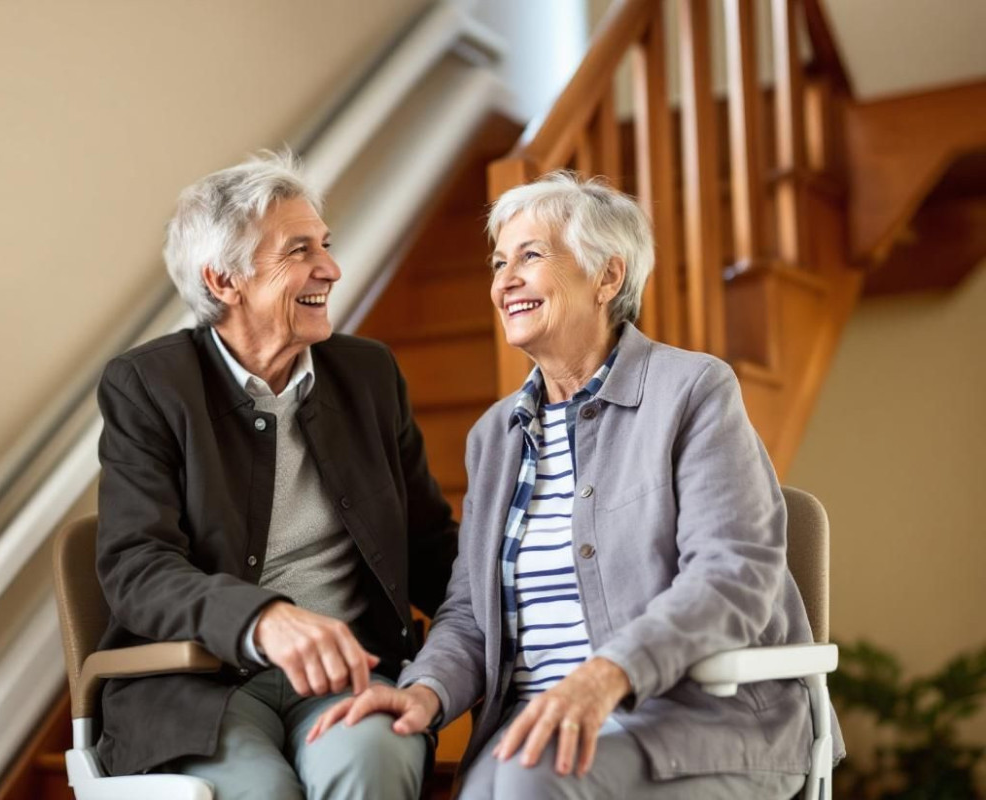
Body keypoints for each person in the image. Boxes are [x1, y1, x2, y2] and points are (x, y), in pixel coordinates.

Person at [308, 171, 843, 798]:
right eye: (499, 262)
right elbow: (470, 616)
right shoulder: (495, 437)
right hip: (536, 736)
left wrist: (607, 673)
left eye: (530, 256)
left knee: (530, 778)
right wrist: (423, 693)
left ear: (607, 277)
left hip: (697, 726)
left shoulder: (692, 392)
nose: (504, 281)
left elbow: (732, 576)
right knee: (501, 780)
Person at [93, 151, 458, 799]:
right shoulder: (149, 385)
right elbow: (137, 567)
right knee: (260, 793)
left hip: (349, 674)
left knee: (373, 761)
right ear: (224, 281)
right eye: (299, 251)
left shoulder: (369, 375)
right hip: (200, 686)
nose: (331, 269)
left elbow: (429, 544)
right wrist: (263, 620)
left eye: (325, 245)